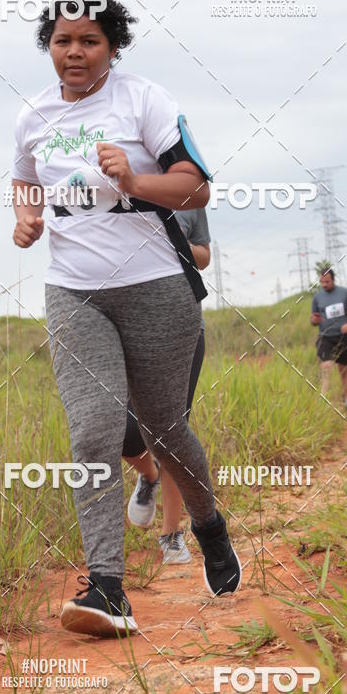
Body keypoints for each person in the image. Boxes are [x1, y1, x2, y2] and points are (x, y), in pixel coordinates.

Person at [11, 0, 241, 638]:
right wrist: (26, 216)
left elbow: (197, 186)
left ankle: (209, 527)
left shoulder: (145, 101)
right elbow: (24, 180)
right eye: (63, 41)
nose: (75, 52)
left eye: (89, 41)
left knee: (165, 430)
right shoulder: (32, 115)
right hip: (73, 291)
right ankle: (107, 587)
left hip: (155, 289)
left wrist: (135, 182)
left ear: (112, 46)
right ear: (49, 48)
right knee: (94, 432)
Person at [124, 207, 211, 564]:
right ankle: (149, 475)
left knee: (171, 433)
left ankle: (172, 534)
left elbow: (203, 256)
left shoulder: (190, 194)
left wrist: (169, 241)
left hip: (183, 327)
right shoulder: (122, 191)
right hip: (127, 325)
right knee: (123, 432)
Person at [310, 268, 347, 407]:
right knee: (326, 367)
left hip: (343, 337)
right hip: (325, 337)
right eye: (322, 282)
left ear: (333, 279)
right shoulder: (317, 297)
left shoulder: (345, 293)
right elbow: (313, 319)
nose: (324, 284)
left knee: (343, 370)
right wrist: (314, 320)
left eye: (327, 281)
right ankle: (323, 402)